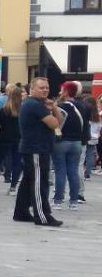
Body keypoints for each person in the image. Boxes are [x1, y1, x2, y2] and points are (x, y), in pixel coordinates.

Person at [13, 77, 64, 227]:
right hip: (35, 149)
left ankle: (21, 212)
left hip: (36, 148)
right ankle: (42, 216)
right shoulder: (34, 104)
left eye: (47, 87)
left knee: (28, 181)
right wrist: (52, 109)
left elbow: (58, 120)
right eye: (41, 88)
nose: (45, 90)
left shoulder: (36, 104)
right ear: (32, 89)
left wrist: (53, 107)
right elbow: (55, 124)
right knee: (39, 183)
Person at [52, 81, 88, 210]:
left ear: (66, 91)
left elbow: (56, 123)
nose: (60, 92)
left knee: (60, 171)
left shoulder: (61, 106)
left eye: (62, 90)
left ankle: (58, 200)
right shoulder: (83, 106)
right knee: (73, 171)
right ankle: (74, 201)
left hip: (62, 141)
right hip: (77, 142)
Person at [0, 86, 25, 195]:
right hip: (19, 138)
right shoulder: (23, 110)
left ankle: (3, 178)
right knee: (17, 162)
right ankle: (13, 186)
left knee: (5, 158)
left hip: (5, 137)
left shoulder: (4, 110)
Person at [84, 94, 101, 180]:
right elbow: (99, 127)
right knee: (90, 155)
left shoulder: (86, 114)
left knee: (83, 154)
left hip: (86, 136)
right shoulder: (97, 116)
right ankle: (88, 173)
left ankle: (82, 170)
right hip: (94, 138)